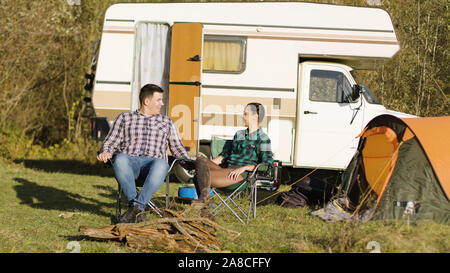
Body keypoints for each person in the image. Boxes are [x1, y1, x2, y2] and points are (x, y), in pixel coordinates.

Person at [97, 84, 189, 223]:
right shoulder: (124, 118)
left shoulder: (166, 122)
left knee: (162, 164)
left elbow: (177, 147)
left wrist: (189, 163)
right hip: (130, 164)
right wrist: (106, 151)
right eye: (159, 100)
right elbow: (110, 141)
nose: (162, 103)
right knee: (120, 158)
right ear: (147, 102)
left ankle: (135, 208)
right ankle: (138, 209)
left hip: (154, 165)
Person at [192, 103, 273, 218]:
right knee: (200, 160)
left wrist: (245, 168)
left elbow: (267, 164)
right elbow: (224, 156)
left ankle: (205, 209)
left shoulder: (263, 139)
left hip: (241, 175)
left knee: (199, 177)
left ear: (256, 116)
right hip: (226, 170)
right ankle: (206, 202)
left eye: (245, 114)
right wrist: (202, 165)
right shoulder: (239, 134)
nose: (242, 116)